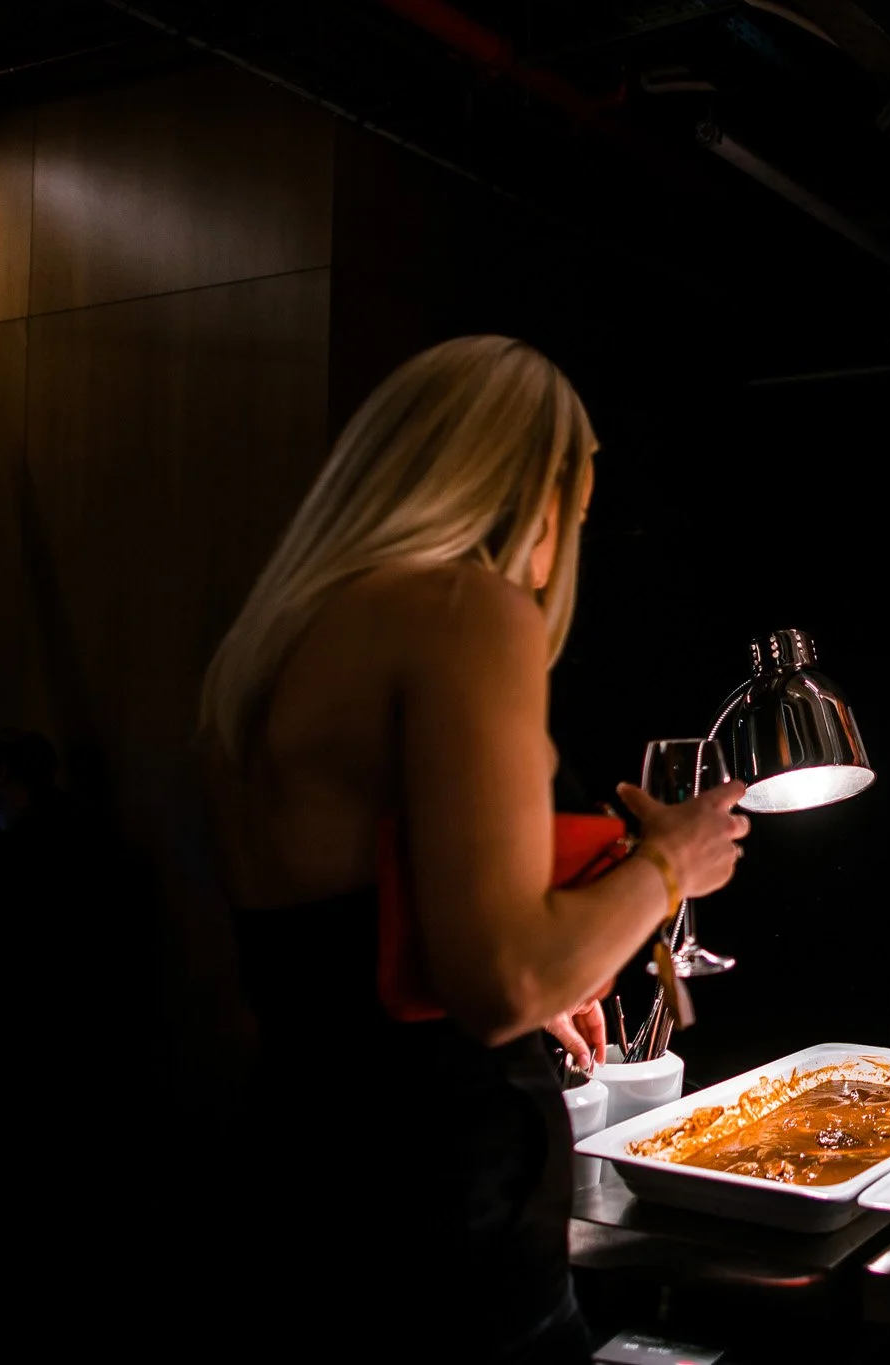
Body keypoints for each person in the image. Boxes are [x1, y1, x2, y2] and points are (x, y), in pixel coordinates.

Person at [199, 337, 748, 1362]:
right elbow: (500, 980)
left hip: (291, 1177)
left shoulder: (270, 645)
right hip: (431, 1211)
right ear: (529, 488)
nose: (558, 553)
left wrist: (557, 952)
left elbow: (357, 942)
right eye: (571, 515)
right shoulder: (460, 609)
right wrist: (670, 862)